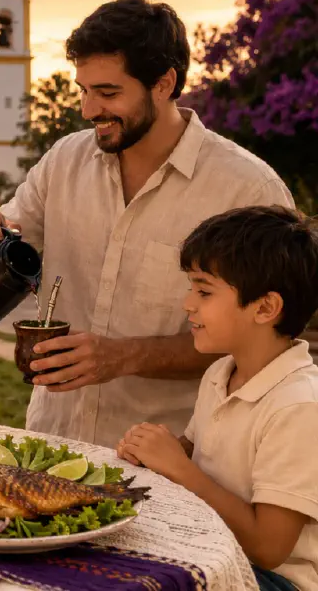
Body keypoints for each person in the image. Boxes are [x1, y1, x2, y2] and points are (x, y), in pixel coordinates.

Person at [0, 0, 295, 445]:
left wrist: (125, 356)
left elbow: (264, 343)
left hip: (178, 459)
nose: (88, 109)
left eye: (108, 93)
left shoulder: (247, 191)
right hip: (53, 441)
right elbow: (12, 232)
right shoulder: (64, 161)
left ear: (164, 83)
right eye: (83, 89)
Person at [118, 206, 318, 591]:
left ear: (265, 308)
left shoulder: (298, 406)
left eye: (204, 291)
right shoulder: (221, 372)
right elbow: (196, 453)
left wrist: (179, 468)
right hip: (211, 549)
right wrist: (153, 451)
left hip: (271, 579)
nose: (187, 303)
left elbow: (269, 547)